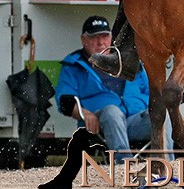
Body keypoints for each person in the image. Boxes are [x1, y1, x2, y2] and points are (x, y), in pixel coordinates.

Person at [54, 16, 173, 161]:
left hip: (136, 121)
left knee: (162, 114)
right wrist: (84, 114)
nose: (100, 42)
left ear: (111, 37)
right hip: (101, 124)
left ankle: (167, 164)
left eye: (104, 36)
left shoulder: (127, 61)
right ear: (83, 40)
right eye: (94, 37)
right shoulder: (74, 65)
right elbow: (65, 101)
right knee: (112, 111)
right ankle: (124, 164)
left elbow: (152, 92)